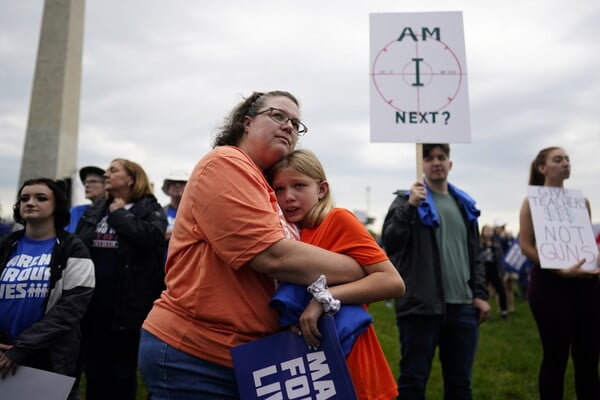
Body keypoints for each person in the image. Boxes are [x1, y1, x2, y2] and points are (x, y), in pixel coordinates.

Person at [138, 90, 366, 399]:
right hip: (196, 356)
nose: (288, 126)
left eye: (296, 124)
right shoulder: (226, 163)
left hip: (249, 356)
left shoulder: (264, 184)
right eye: (278, 116)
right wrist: (362, 270)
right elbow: (273, 256)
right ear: (246, 123)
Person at [268, 149, 405, 400]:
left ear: (322, 190)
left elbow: (392, 282)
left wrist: (323, 299)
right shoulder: (286, 233)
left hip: (349, 353)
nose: (288, 197)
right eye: (279, 189)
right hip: (305, 363)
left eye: (299, 186)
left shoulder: (337, 220)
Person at [382, 143, 490, 400]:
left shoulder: (464, 204)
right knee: (413, 381)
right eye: (428, 158)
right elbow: (391, 242)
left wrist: (480, 293)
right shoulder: (404, 200)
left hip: (462, 306)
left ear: (450, 164)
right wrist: (410, 207)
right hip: (422, 306)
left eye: (441, 157)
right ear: (422, 166)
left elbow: (475, 255)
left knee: (460, 384)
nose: (436, 162)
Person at [75, 159, 167, 400]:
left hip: (128, 309)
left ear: (131, 179)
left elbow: (151, 237)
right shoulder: (96, 208)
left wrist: (119, 216)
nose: (106, 174)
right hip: (93, 306)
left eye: (113, 170)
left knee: (121, 374)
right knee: (94, 373)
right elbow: (79, 244)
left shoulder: (149, 208)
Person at [0, 178, 95, 400]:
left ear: (57, 206)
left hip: (50, 358)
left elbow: (72, 307)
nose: (30, 203)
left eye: (40, 198)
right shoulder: (6, 244)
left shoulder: (73, 247)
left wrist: (22, 349)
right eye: (24, 198)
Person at [519, 146, 600, 399]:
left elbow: (583, 242)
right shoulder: (532, 201)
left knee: (589, 355)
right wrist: (558, 269)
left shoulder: (582, 202)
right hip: (549, 286)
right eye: (558, 159)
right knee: (556, 355)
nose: (565, 163)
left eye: (567, 159)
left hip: (585, 284)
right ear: (542, 168)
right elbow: (526, 245)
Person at [479, 224, 509, 318]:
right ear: (483, 232)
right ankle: (484, 312)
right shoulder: (479, 244)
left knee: (501, 290)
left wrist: (503, 272)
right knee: (483, 292)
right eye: (486, 230)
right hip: (484, 271)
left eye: (490, 230)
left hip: (495, 270)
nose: (488, 232)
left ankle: (503, 311)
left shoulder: (496, 243)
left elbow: (501, 258)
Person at [65, 166, 105, 233]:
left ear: (106, 185)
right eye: (85, 182)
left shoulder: (112, 211)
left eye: (93, 181)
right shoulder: (75, 211)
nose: (87, 185)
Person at [160, 169, 188, 261]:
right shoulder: (159, 212)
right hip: (163, 267)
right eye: (173, 182)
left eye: (181, 182)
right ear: (167, 187)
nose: (177, 185)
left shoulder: (195, 213)